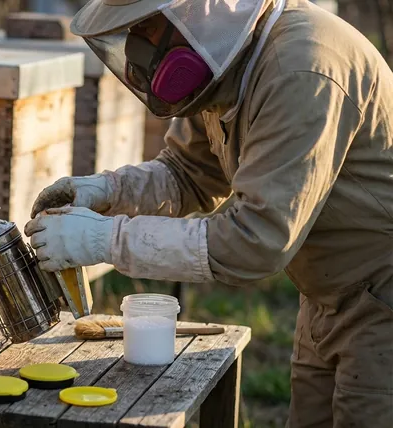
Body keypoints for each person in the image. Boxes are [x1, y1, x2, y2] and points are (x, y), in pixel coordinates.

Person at [23, 0, 393, 426]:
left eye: (145, 26)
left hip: (381, 298)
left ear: (198, 11)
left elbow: (255, 242)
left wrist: (103, 239)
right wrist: (106, 190)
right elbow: (188, 173)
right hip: (328, 295)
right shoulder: (228, 65)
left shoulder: (302, 68)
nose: (136, 49)